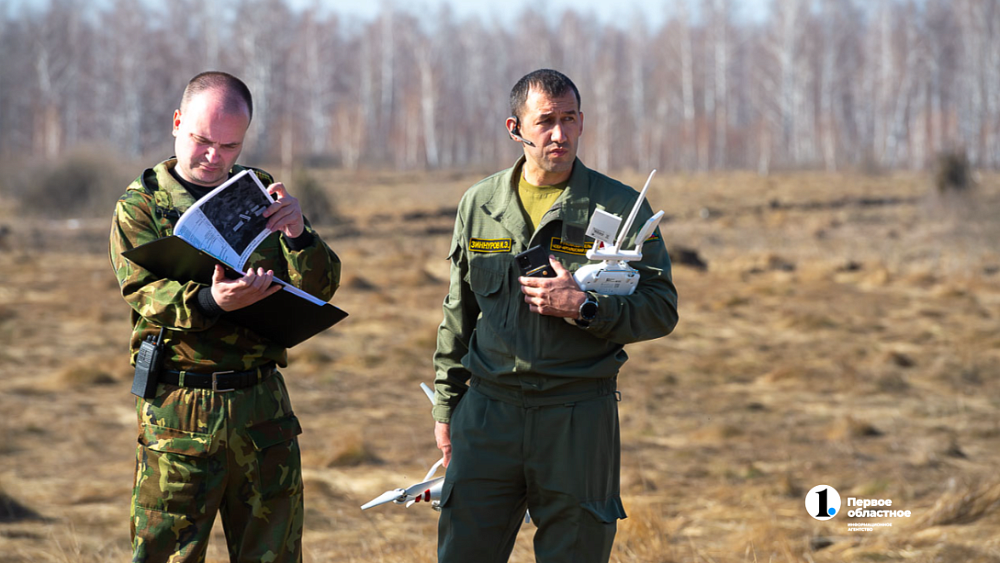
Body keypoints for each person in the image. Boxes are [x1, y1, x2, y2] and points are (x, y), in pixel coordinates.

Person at [431, 69, 679, 562]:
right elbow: (458, 312)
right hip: (488, 416)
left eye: (569, 119)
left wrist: (585, 307)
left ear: (583, 122)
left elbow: (661, 308)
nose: (559, 134)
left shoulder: (621, 208)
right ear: (514, 128)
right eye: (545, 121)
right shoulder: (480, 204)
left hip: (577, 417)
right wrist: (446, 408)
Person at [109, 71, 340, 562]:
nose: (214, 157)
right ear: (177, 123)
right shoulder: (141, 205)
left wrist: (298, 234)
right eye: (202, 140)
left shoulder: (257, 195)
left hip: (262, 408)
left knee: (274, 554)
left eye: (229, 145)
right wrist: (214, 303)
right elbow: (143, 292)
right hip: (179, 410)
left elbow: (318, 287)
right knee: (166, 555)